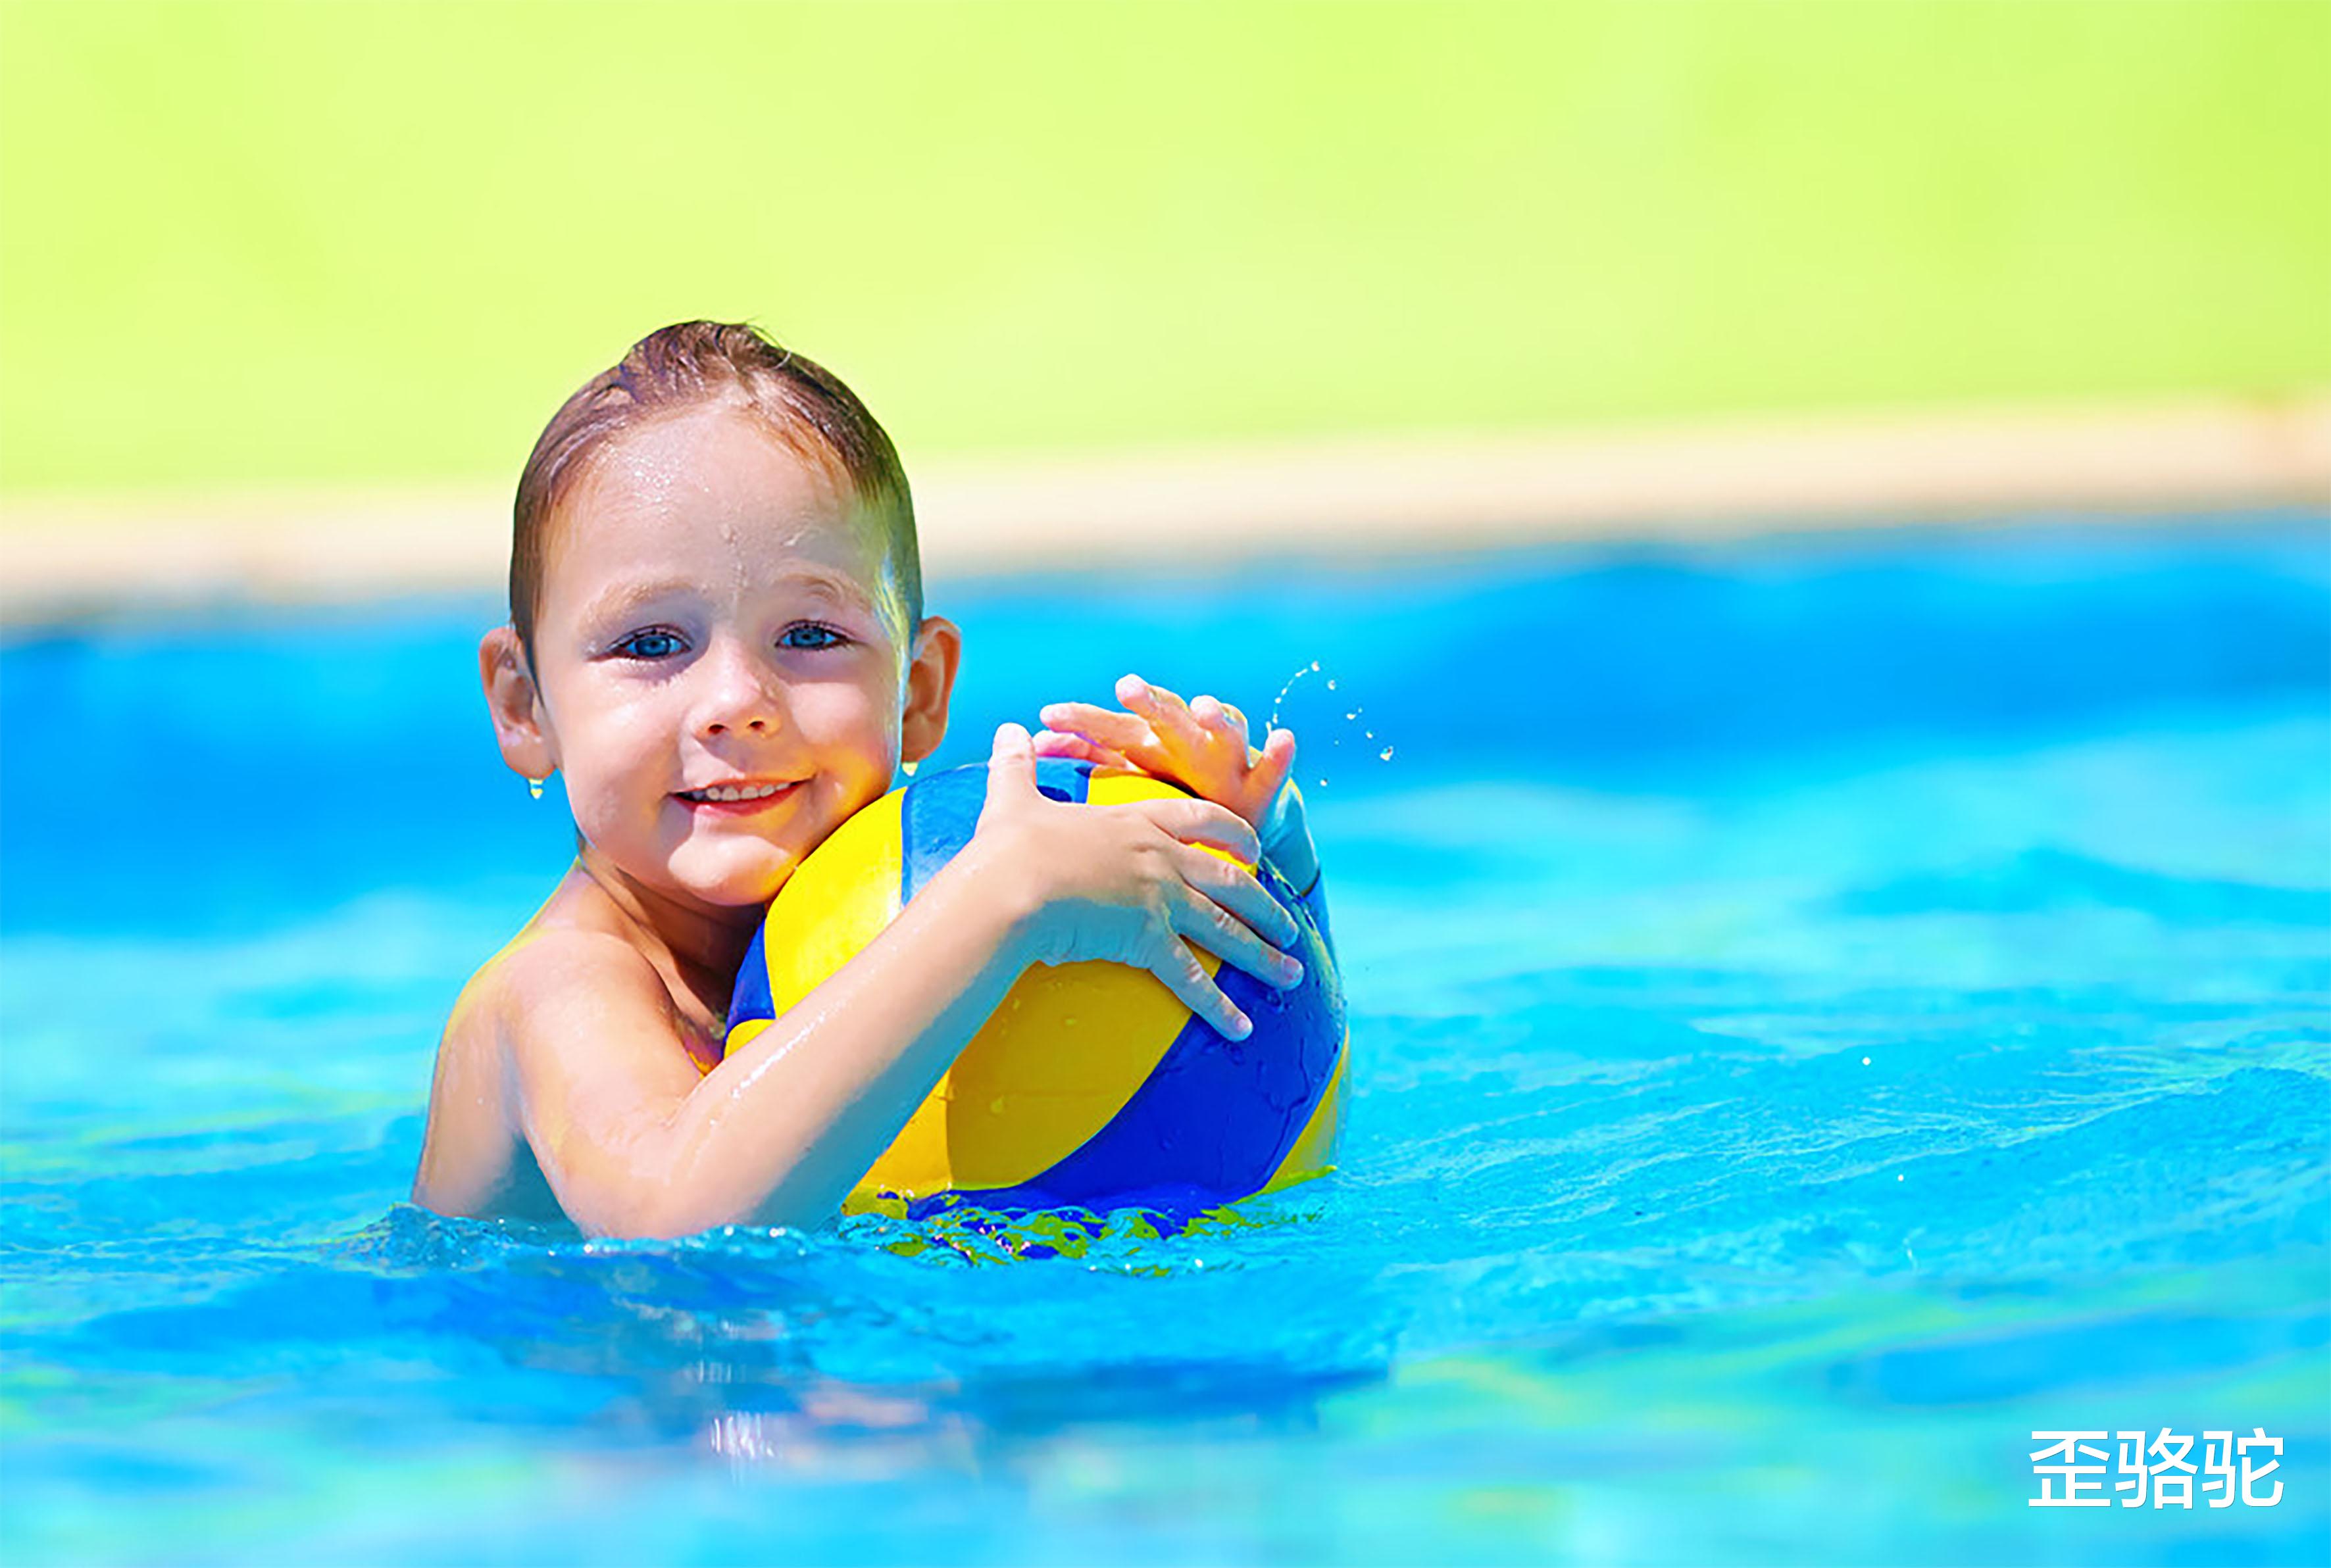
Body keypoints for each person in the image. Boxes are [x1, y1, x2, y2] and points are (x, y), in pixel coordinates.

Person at [411, 322, 1320, 1239]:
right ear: (525, 706)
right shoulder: (554, 991)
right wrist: (1005, 896)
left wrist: (1255, 866)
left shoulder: (877, 928)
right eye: (650, 643)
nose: (736, 701)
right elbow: (672, 1224)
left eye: (810, 636)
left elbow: (1272, 1100)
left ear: (920, 691)